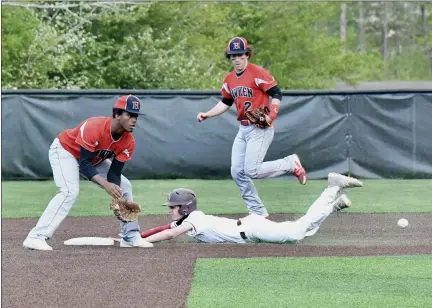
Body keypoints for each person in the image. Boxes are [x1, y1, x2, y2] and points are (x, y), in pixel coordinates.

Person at [23, 95, 153, 250]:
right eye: (129, 115)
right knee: (69, 191)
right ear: (117, 115)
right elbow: (84, 164)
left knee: (124, 187)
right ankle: (36, 236)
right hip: (66, 151)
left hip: (94, 159)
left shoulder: (128, 141)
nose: (134, 120)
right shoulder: (94, 127)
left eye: (136, 116)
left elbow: (114, 173)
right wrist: (105, 185)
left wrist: (117, 197)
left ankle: (130, 237)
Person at [196, 36, 307, 218]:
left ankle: (290, 163)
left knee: (251, 170)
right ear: (230, 58)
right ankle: (257, 211)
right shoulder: (230, 79)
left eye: (240, 55)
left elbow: (276, 93)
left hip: (261, 128)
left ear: (247, 54)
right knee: (237, 171)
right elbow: (225, 102)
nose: (237, 59)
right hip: (244, 128)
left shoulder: (258, 73)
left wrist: (272, 114)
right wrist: (208, 113)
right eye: (233, 56)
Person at [140, 173, 363, 245]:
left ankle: (332, 188)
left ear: (186, 207)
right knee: (305, 230)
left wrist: (141, 243)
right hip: (248, 227)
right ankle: (333, 203)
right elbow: (164, 227)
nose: (170, 210)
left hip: (251, 229)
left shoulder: (194, 219)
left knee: (297, 233)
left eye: (174, 207)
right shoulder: (188, 219)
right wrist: (138, 236)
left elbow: (170, 234)